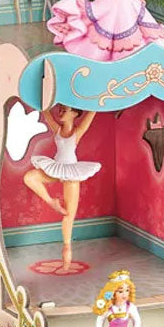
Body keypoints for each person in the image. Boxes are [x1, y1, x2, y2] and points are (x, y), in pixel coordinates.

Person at [23, 104, 100, 272]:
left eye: (65, 110)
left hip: (71, 171)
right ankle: (52, 202)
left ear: (75, 113)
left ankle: (67, 248)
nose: (61, 112)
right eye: (61, 109)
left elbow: (92, 111)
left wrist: (97, 99)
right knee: (29, 177)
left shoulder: (77, 131)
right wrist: (43, 100)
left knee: (69, 215)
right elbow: (45, 111)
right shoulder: (57, 129)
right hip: (56, 168)